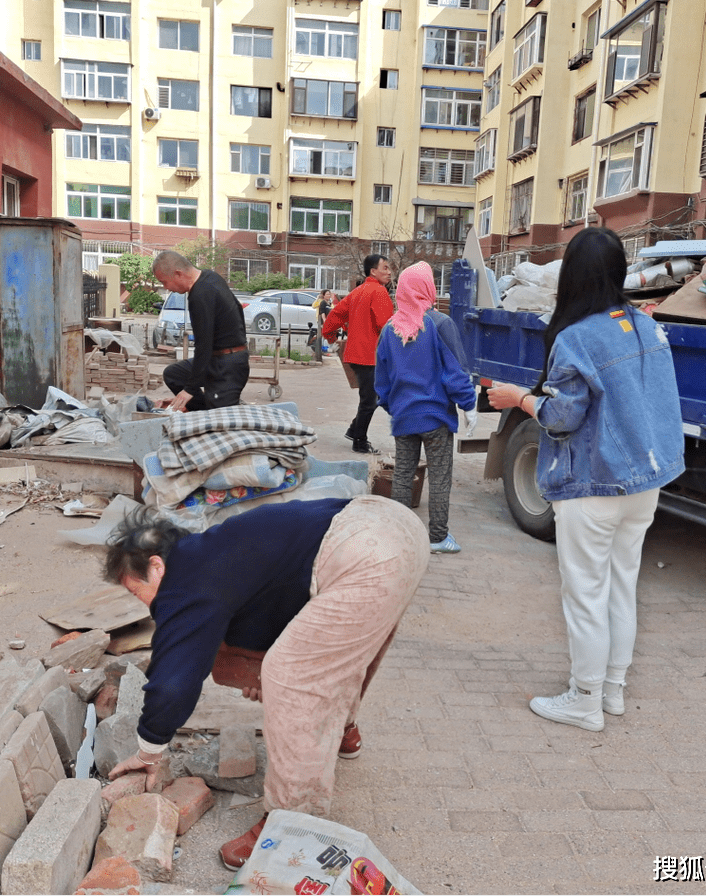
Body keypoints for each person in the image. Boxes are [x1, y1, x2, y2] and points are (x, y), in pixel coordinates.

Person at [102, 496, 429, 870]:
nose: (142, 604)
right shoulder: (215, 551)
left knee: (293, 677)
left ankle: (290, 825)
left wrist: (148, 749)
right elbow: (279, 615)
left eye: (134, 590)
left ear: (156, 566)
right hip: (392, 523)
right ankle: (343, 730)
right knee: (340, 648)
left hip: (367, 551)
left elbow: (173, 680)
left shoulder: (183, 582)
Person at [487, 228, 685, 731]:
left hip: (593, 483)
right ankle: (612, 691)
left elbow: (561, 418)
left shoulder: (576, 336)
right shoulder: (647, 326)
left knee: (585, 594)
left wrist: (519, 399)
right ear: (618, 271)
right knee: (622, 586)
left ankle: (584, 699)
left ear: (571, 276)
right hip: (646, 482)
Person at [374, 262, 477, 555]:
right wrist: (469, 406)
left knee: (403, 476)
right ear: (428, 288)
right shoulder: (439, 324)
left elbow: (381, 381)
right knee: (440, 477)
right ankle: (438, 537)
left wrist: (393, 406)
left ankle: (397, 535)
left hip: (404, 417)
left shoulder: (389, 330)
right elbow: (455, 373)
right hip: (436, 418)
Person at [152, 251, 248, 412]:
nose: (166, 288)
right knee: (174, 374)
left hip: (228, 365)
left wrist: (189, 390)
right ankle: (202, 411)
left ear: (178, 274)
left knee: (219, 420)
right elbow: (238, 307)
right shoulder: (210, 276)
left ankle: (211, 412)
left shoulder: (200, 295)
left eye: (165, 282)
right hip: (218, 358)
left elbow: (203, 344)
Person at [322, 255, 395, 454]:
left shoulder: (357, 292)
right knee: (370, 400)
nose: (389, 272)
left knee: (372, 397)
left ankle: (354, 430)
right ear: (373, 271)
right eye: (385, 268)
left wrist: (330, 338)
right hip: (370, 356)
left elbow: (334, 316)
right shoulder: (379, 291)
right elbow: (386, 325)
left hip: (355, 355)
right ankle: (360, 441)